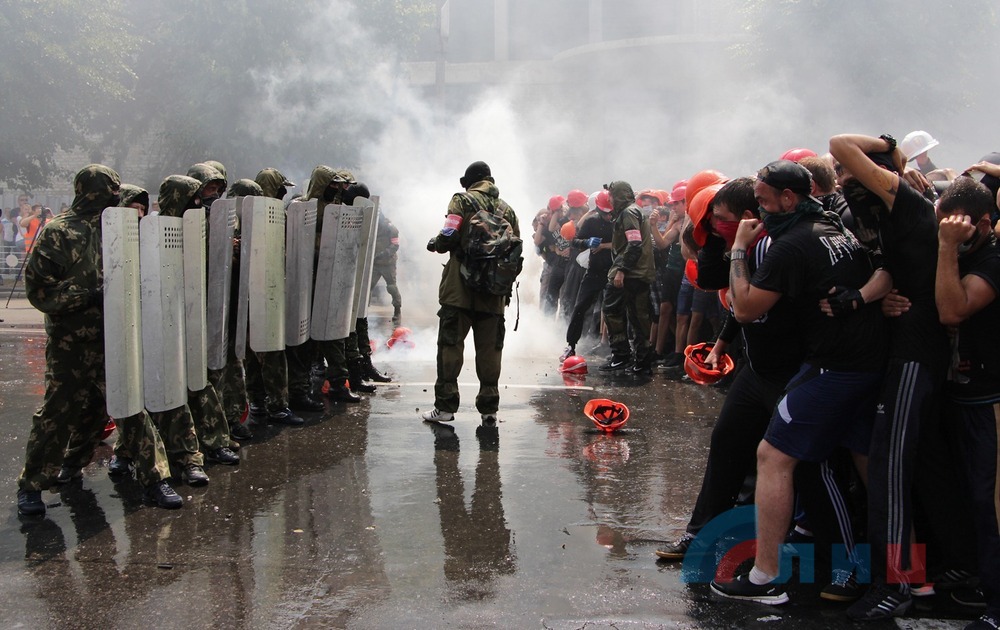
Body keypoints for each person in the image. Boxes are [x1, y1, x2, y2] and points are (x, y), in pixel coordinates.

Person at [711, 160, 886, 606]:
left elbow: (746, 308)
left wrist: (738, 250)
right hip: (861, 360)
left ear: (789, 198)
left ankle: (765, 576)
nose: (760, 213)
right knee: (852, 463)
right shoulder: (831, 223)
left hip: (837, 366)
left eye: (766, 203)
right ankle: (878, 569)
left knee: (773, 456)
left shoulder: (790, 243)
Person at [830, 133, 972, 620]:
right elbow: (896, 267)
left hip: (917, 351)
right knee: (928, 462)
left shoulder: (902, 198)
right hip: (911, 343)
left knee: (888, 466)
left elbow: (839, 142)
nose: (842, 180)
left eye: (849, 174)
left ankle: (899, 583)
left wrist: (888, 147)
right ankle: (953, 564)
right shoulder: (886, 215)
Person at [16, 165, 181, 516]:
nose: (114, 196)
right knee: (59, 414)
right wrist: (85, 295)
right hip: (71, 344)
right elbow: (39, 289)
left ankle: (155, 480)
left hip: (116, 336)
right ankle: (32, 486)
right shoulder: (59, 232)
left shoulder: (121, 228)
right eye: (109, 190)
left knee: (130, 409)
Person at [933, 177, 1000, 630]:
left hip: (989, 399)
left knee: (990, 500)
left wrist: (946, 249)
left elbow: (952, 310)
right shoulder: (967, 252)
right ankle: (974, 574)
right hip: (958, 392)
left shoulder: (993, 258)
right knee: (962, 493)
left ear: (981, 222)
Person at [421, 160, 519, 424]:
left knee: (450, 345)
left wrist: (436, 244)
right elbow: (514, 248)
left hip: (459, 290)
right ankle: (489, 410)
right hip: (493, 292)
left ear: (469, 182)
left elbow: (449, 234)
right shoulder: (507, 210)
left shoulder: (461, 201)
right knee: (490, 351)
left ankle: (445, 408)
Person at [598, 180, 656, 373]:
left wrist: (622, 270)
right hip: (638, 273)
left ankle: (622, 356)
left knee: (612, 310)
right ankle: (642, 361)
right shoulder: (634, 211)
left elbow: (634, 244)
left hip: (630, 274)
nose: (609, 199)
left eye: (612, 195)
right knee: (639, 318)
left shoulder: (629, 213)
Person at [561, 190, 614, 361]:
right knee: (580, 307)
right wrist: (587, 242)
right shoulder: (591, 221)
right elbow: (575, 241)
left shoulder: (620, 222)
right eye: (604, 213)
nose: (608, 216)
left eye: (610, 213)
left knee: (612, 310)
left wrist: (605, 245)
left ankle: (618, 350)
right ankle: (571, 345)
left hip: (614, 271)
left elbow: (627, 244)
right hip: (594, 271)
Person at [370, 208, 402, 326]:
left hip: (388, 263)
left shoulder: (391, 228)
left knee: (392, 287)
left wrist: (385, 254)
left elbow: (395, 245)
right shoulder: (372, 226)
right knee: (368, 287)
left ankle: (397, 310)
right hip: (375, 263)